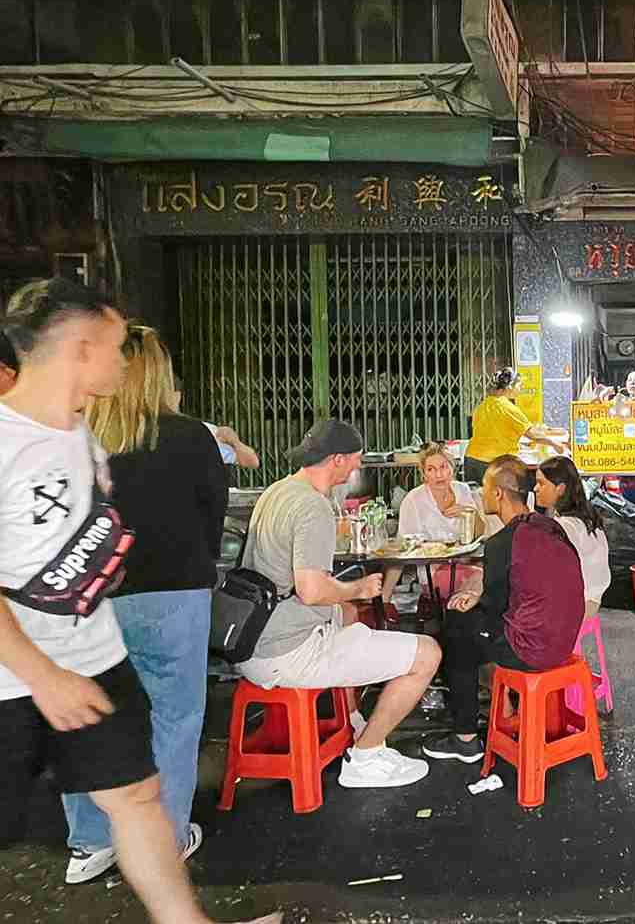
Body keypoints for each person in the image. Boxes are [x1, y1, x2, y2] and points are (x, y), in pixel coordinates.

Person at [0, 279, 280, 924]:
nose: (125, 363)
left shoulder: (81, 433)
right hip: (20, 680)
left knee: (138, 795)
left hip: (95, 657)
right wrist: (44, 677)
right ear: (80, 347)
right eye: (118, 347)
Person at [60, 325, 227, 884]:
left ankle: (90, 842)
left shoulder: (74, 437)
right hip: (174, 595)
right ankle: (167, 838)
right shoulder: (188, 437)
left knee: (90, 715)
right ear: (160, 374)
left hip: (90, 601)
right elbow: (212, 521)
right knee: (173, 719)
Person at [237, 419, 441, 788]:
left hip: (254, 642)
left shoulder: (278, 490)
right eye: (355, 460)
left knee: (348, 616)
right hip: (289, 651)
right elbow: (312, 590)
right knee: (428, 653)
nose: (358, 467)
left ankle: (355, 723)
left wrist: (346, 601)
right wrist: (359, 588)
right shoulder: (313, 508)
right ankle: (366, 754)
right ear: (337, 460)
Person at [423, 456, 585, 763]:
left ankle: (466, 737)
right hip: (564, 642)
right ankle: (499, 708)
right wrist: (480, 597)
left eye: (484, 487)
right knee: (469, 620)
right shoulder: (550, 528)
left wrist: (474, 600)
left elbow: (497, 609)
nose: (481, 494)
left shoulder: (503, 542)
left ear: (498, 493)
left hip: (533, 650)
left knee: (457, 625)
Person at [380, 442, 484, 615]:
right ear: (423, 474)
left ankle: (461, 621)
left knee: (496, 575)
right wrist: (385, 600)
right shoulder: (414, 500)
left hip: (467, 564)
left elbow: (479, 534)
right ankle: (455, 619)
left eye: (443, 467)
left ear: (452, 468)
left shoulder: (462, 490)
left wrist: (471, 513)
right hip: (433, 573)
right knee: (483, 578)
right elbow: (402, 550)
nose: (438, 474)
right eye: (431, 469)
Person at [536, 456, 611, 618]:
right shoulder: (585, 517)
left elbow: (551, 573)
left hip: (577, 606)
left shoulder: (566, 526)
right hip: (592, 600)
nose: (535, 489)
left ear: (560, 488)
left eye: (541, 483)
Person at [464, 368, 560, 485]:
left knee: (476, 499)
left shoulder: (482, 406)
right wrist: (555, 444)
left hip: (471, 459)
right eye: (519, 385)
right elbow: (533, 435)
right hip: (491, 463)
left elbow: (491, 433)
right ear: (510, 387)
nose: (520, 388)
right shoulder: (508, 408)